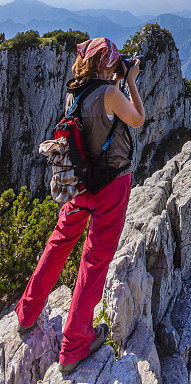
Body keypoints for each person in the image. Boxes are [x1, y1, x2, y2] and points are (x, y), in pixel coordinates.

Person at [14, 37, 145, 375]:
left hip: (78, 184)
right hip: (111, 185)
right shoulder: (113, 93)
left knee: (58, 245)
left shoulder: (76, 91)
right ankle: (75, 344)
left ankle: (27, 313)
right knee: (95, 258)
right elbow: (137, 119)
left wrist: (115, 81)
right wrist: (129, 81)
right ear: (106, 63)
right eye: (113, 61)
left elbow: (96, 113)